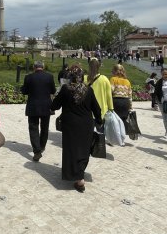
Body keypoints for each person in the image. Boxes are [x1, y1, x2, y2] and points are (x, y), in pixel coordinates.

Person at [51, 64, 102, 192]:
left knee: (71, 150)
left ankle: (79, 178)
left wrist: (52, 102)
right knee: (84, 150)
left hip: (70, 125)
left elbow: (55, 106)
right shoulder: (88, 90)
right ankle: (79, 175)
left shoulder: (65, 89)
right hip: (86, 124)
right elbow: (96, 108)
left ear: (70, 76)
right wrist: (99, 121)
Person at [21, 60, 56, 161]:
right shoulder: (49, 76)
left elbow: (24, 91)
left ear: (34, 67)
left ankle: (37, 151)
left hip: (33, 105)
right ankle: (42, 146)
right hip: (46, 105)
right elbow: (53, 90)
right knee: (45, 127)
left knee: (33, 128)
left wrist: (23, 88)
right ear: (43, 67)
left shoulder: (28, 77)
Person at [86, 58, 114, 122]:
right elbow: (109, 96)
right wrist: (111, 108)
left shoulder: (85, 79)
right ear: (99, 67)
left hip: (88, 111)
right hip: (102, 111)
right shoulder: (105, 79)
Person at [154, 68, 167, 145]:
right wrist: (157, 101)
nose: (165, 75)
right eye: (163, 74)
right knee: (165, 118)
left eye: (166, 74)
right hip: (162, 103)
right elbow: (156, 92)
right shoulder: (159, 82)